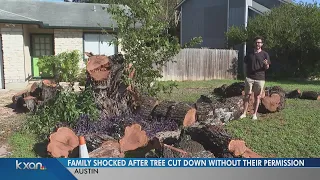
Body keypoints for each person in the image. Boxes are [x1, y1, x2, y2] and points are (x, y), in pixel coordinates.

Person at [239, 36, 271, 120]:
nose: (258, 44)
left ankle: (254, 114)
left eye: (259, 42)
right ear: (254, 43)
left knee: (257, 97)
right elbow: (245, 64)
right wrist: (245, 75)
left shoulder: (265, 54)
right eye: (257, 42)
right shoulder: (249, 53)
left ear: (262, 44)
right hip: (249, 78)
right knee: (247, 95)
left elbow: (267, 67)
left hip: (260, 78)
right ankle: (244, 113)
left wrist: (266, 64)